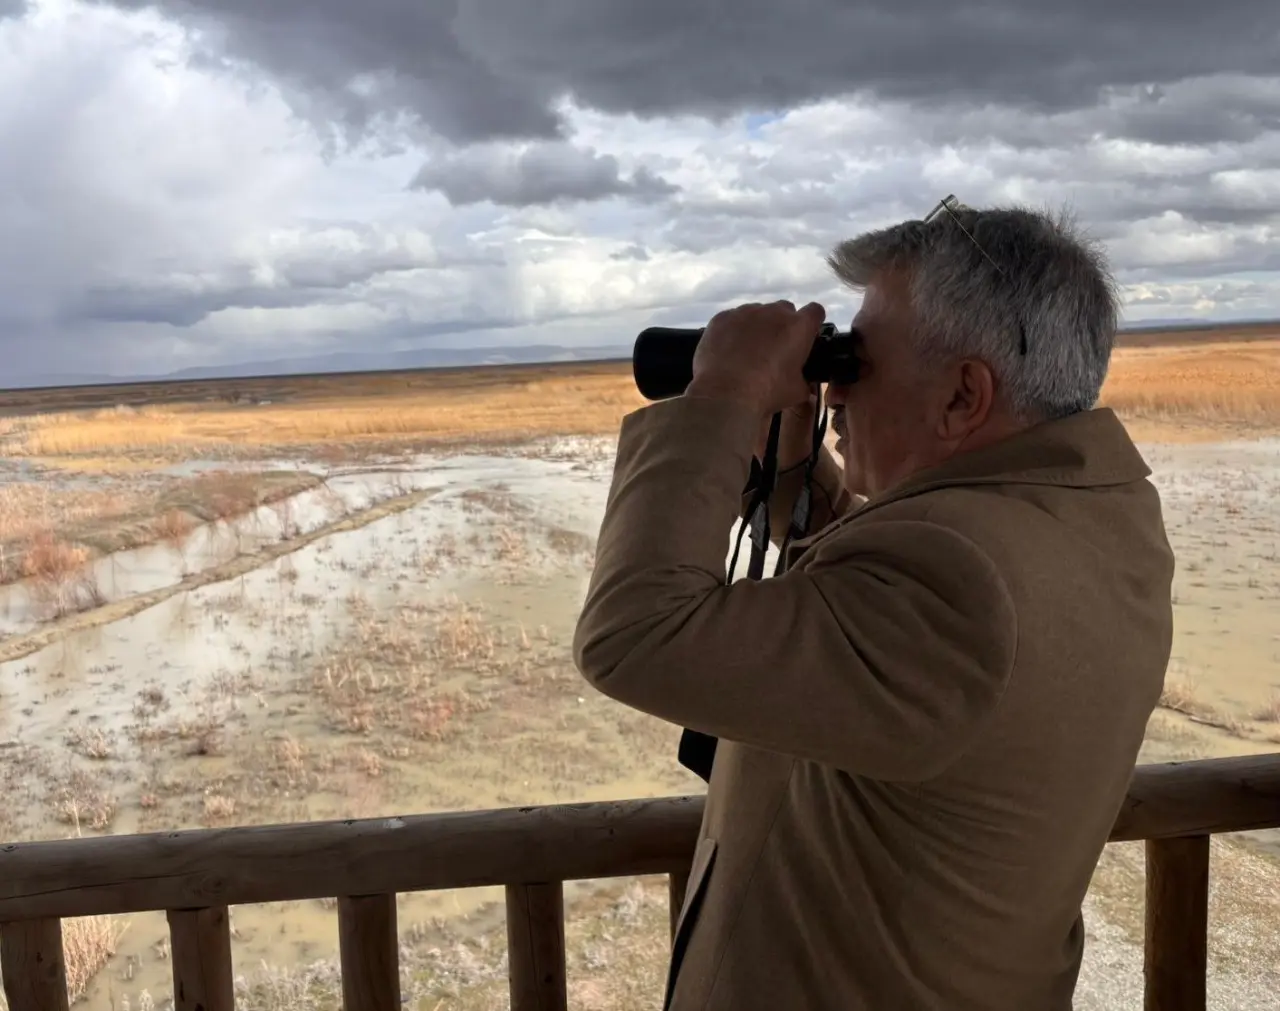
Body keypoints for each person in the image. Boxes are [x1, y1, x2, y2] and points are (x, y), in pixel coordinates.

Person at [572, 201, 1175, 1010]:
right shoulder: (1090, 518)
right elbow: (876, 613)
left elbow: (637, 631)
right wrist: (793, 459)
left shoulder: (959, 583)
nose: (836, 391)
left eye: (856, 364)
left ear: (962, 396)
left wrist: (724, 393)